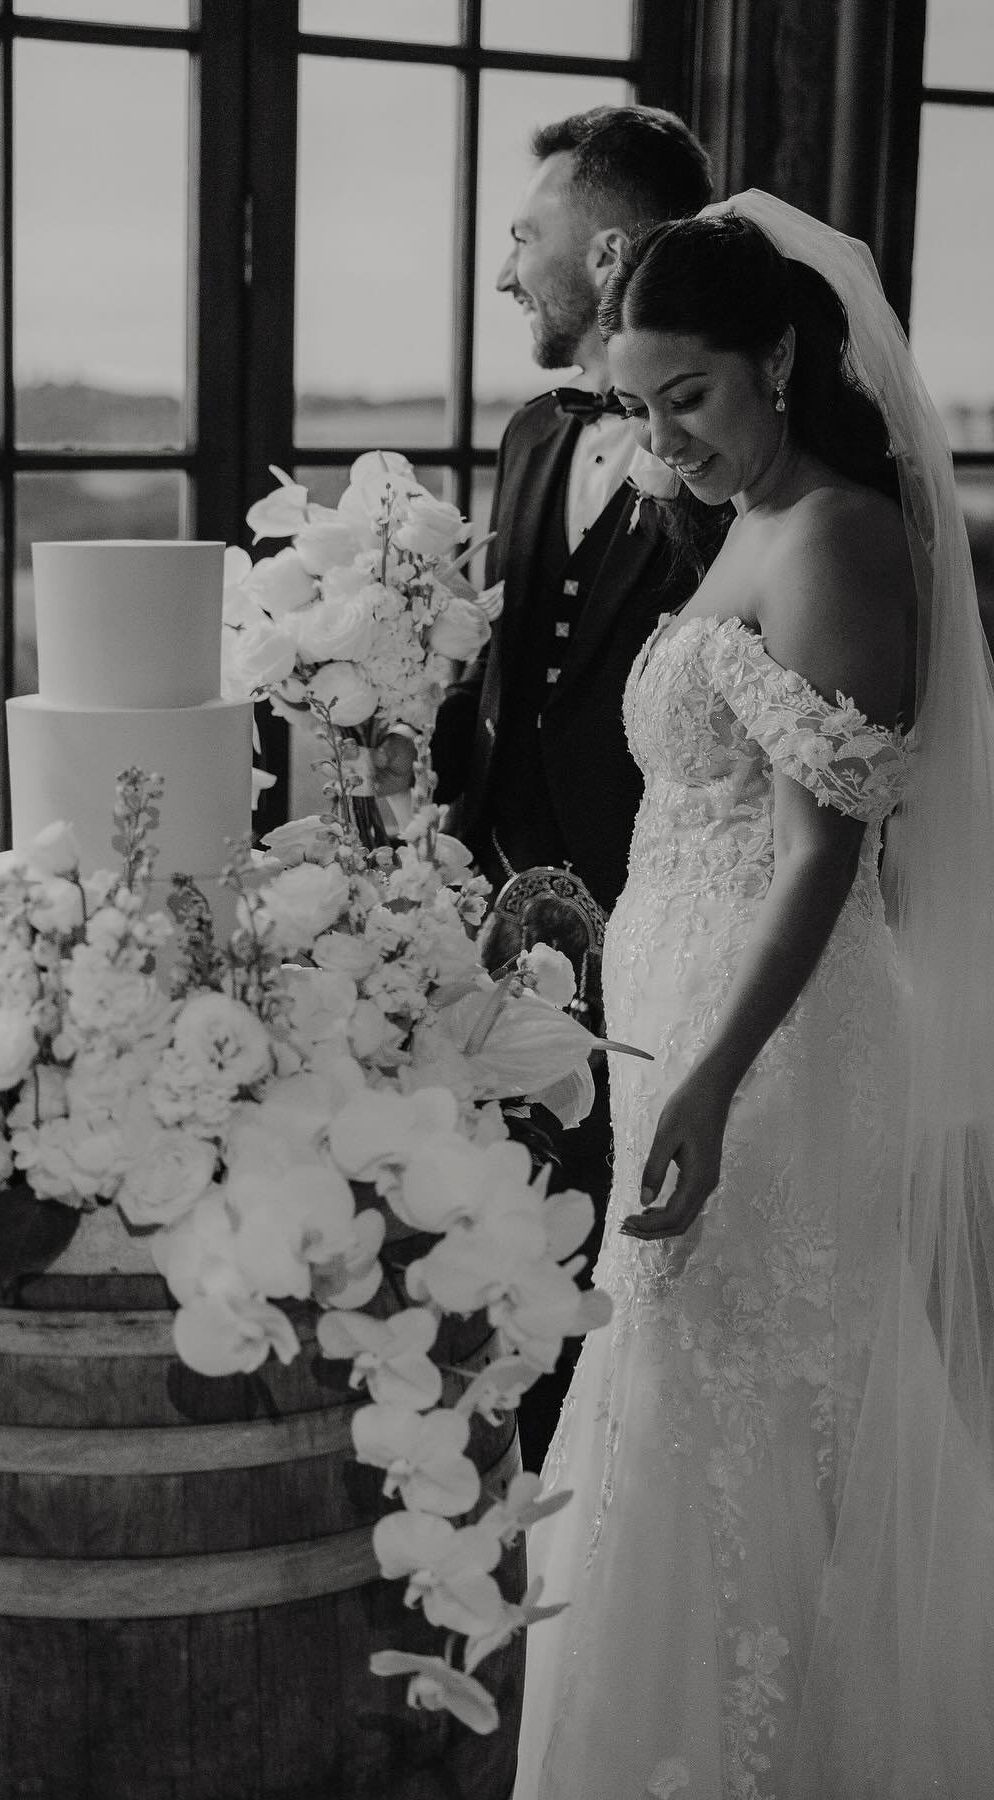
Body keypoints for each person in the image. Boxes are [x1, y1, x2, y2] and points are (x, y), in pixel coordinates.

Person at [512, 194, 994, 1799]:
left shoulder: (846, 535)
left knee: (749, 1406)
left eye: (691, 400)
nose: (666, 442)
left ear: (779, 357)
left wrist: (712, 1078)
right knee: (681, 1403)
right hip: (686, 1028)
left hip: (771, 1049)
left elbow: (816, 858)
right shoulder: (742, 522)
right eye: (639, 408)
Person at [406, 104, 716, 1468]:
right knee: (511, 1215)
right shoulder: (535, 433)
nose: (503, 271)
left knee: (637, 1245)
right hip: (508, 921)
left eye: (524, 237)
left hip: (667, 917)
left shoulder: (732, 470)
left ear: (603, 257)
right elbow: (505, 670)